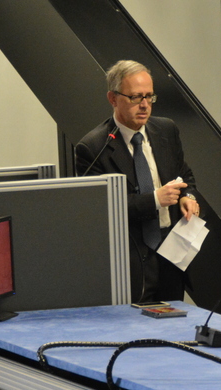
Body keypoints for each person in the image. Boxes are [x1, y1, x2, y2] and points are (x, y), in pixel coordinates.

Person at [75, 60, 199, 303]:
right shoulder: (93, 148)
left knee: (174, 320)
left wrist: (188, 197)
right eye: (135, 97)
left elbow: (184, 175)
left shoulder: (166, 130)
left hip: (172, 254)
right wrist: (154, 200)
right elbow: (99, 209)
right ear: (113, 98)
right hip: (130, 262)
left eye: (149, 97)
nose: (144, 105)